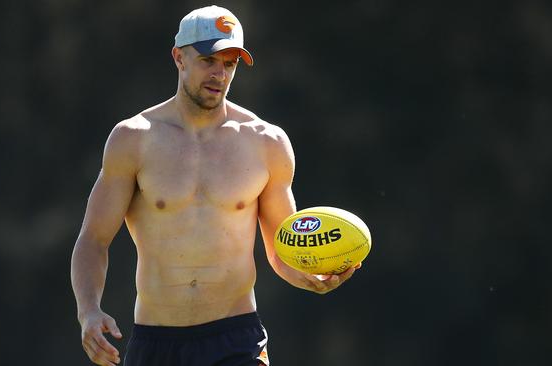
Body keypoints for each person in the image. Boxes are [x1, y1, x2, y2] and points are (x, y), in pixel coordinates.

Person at [70, 5, 360, 366]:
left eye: (230, 64)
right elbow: (93, 240)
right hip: (157, 342)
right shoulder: (133, 139)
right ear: (179, 57)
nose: (219, 74)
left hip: (236, 339)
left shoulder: (266, 142)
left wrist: (310, 274)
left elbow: (281, 251)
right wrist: (89, 312)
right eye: (208, 60)